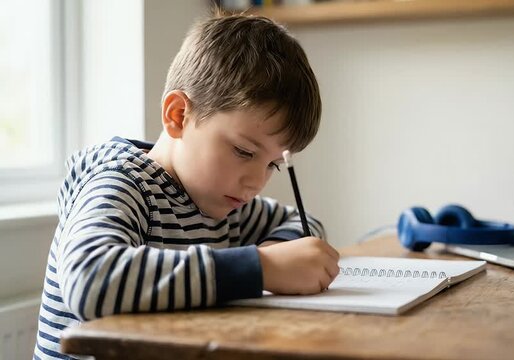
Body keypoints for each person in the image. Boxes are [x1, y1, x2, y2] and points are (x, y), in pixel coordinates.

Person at [34, 11, 339, 359]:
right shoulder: (123, 184)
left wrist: (277, 250)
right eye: (243, 151)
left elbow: (305, 224)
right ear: (178, 115)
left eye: (272, 165)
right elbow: (89, 281)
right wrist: (261, 267)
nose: (256, 182)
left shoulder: (226, 203)